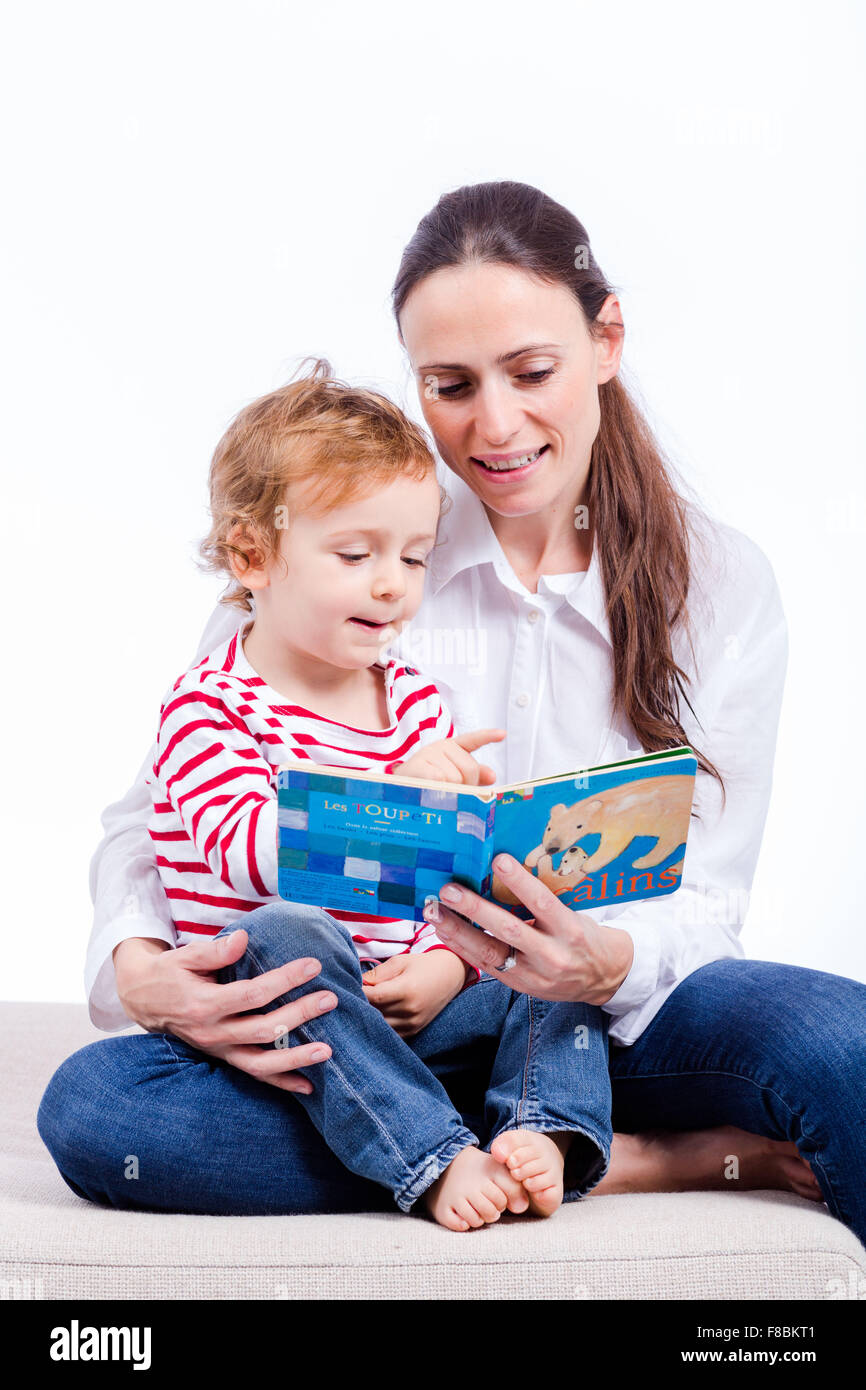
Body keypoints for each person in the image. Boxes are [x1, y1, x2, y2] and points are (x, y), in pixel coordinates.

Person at [37, 180, 866, 1246]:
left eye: (531, 372)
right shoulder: (340, 548)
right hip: (358, 1024)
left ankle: (509, 1135)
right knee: (101, 1109)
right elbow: (161, 816)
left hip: (586, 1015)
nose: (494, 424)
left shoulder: (716, 583)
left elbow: (704, 896)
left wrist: (592, 961)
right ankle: (557, 1155)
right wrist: (143, 972)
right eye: (449, 383)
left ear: (605, 338)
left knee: (841, 1044)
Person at [47, 360, 616, 1231]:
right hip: (285, 1033)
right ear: (254, 554)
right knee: (275, 941)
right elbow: (254, 855)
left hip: (413, 1018)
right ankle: (430, 1150)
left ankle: (543, 1131)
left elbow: (449, 887)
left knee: (549, 945)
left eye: (414, 557)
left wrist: (446, 960)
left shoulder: (418, 701)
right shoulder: (209, 706)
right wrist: (398, 796)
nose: (393, 583)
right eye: (356, 555)